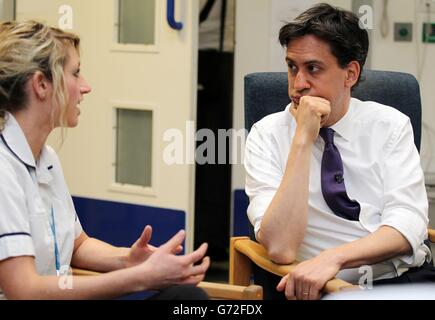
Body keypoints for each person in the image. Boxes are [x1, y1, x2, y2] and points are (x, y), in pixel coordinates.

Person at [0, 20, 210, 300]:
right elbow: (25, 290)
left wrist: (130, 260)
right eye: (75, 74)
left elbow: (78, 245)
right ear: (41, 84)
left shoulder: (46, 158)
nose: (86, 87)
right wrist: (137, 278)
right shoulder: (4, 168)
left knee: (185, 299)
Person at [244, 3, 434, 300]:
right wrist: (303, 139)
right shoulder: (266, 135)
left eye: (313, 69)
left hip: (401, 280)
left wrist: (333, 258)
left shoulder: (390, 125)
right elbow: (281, 247)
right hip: (321, 290)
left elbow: (407, 223)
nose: (298, 84)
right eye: (292, 67)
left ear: (351, 74)